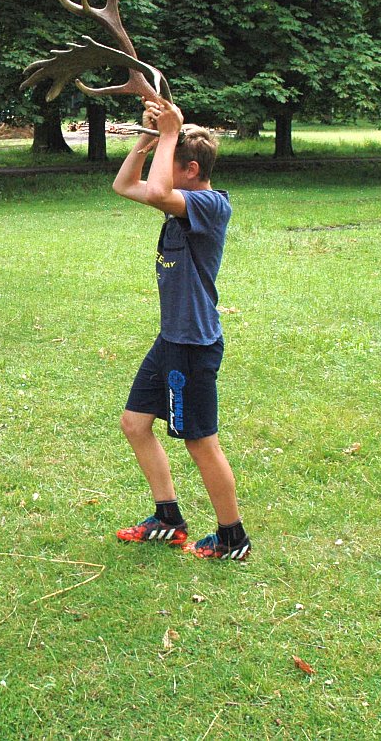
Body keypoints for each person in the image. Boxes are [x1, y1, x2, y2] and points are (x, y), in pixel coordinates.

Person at [111, 99, 250, 561]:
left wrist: (169, 134)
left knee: (200, 442)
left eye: (167, 162)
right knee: (135, 424)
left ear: (191, 170)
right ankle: (168, 519)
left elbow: (154, 191)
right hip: (171, 338)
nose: (160, 171)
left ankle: (232, 537)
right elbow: (125, 184)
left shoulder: (210, 205)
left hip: (194, 343)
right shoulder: (178, 203)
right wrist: (148, 138)